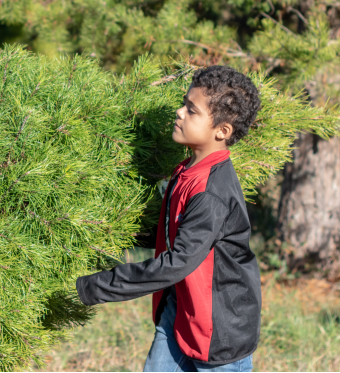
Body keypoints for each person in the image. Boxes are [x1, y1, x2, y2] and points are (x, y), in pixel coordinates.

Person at [75, 66, 262, 372]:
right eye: (183, 104)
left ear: (222, 131)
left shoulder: (210, 193)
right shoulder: (188, 171)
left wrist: (98, 286)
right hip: (180, 311)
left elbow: (176, 262)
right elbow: (172, 233)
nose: (179, 112)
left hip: (219, 334)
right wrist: (104, 232)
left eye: (191, 110)